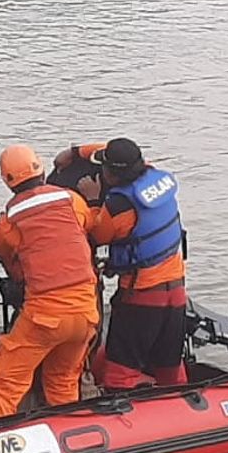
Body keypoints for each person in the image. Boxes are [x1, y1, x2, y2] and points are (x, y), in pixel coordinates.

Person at [0, 145, 99, 420]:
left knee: (7, 382)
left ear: (7, 182)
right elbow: (87, 225)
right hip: (85, 313)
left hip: (46, 317)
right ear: (42, 170)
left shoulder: (8, 221)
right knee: (63, 380)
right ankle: (71, 431)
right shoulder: (71, 199)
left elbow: (12, 262)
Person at [76, 138, 188, 389]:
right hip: (177, 292)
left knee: (120, 369)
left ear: (111, 175)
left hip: (142, 298)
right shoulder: (156, 179)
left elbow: (97, 234)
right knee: (170, 365)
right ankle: (180, 412)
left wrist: (93, 201)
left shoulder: (118, 207)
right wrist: (75, 152)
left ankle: (120, 421)